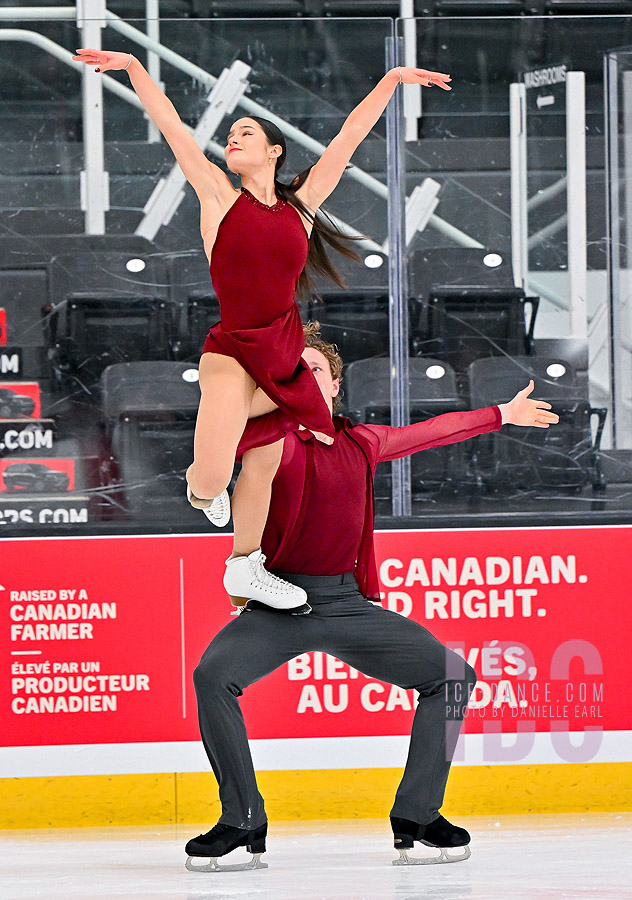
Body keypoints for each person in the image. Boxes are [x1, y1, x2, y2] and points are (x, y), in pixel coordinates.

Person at [72, 48, 452, 612]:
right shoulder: (218, 197)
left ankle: (245, 565)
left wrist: (392, 78)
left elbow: (348, 140)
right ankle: (204, 491)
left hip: (283, 353)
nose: (233, 138)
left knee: (269, 455)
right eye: (231, 133)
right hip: (231, 351)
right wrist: (133, 68)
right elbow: (174, 128)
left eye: (246, 131)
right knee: (208, 480)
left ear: (274, 151)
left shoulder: (301, 209)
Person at [184, 323, 559, 872]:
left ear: (335, 384)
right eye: (294, 371)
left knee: (452, 676)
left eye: (315, 369)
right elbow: (217, 436)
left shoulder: (364, 442)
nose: (305, 377)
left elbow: (433, 430)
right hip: (276, 602)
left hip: (344, 603)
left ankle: (418, 815)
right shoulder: (263, 435)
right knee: (212, 677)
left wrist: (499, 415)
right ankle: (241, 818)